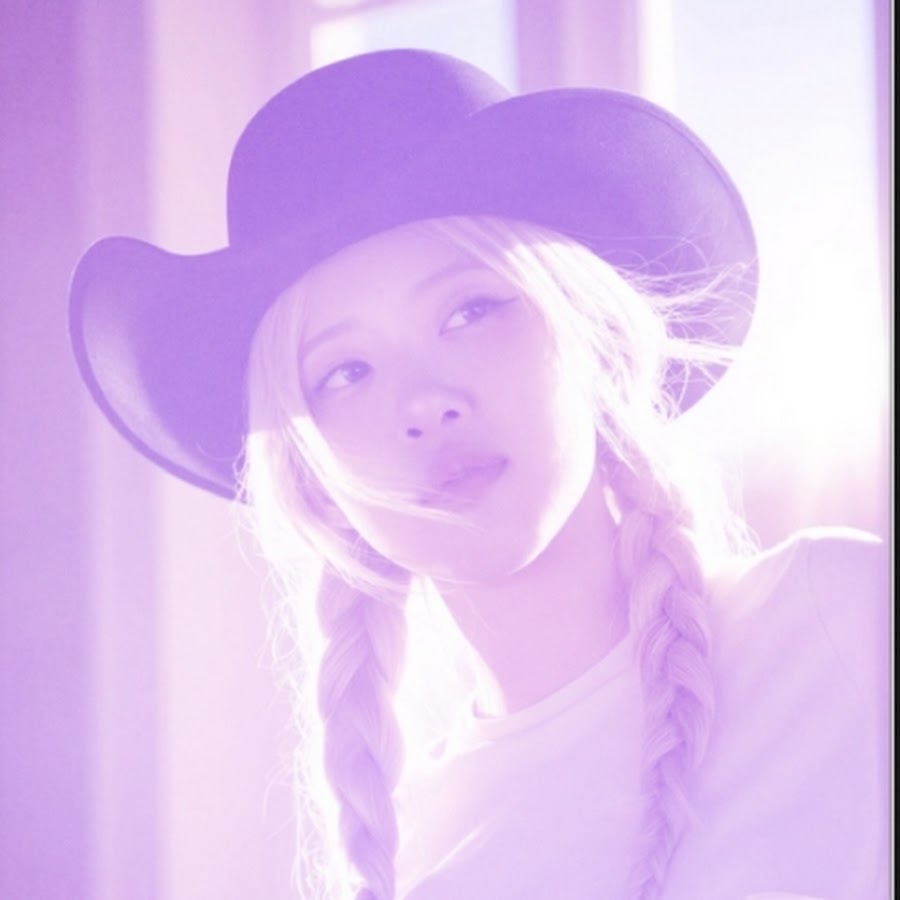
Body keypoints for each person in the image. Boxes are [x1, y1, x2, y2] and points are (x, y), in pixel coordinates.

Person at [68, 49, 888, 900]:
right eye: (345, 373)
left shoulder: (844, 623)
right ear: (319, 486)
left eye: (470, 311)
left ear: (597, 345)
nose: (425, 404)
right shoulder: (418, 857)